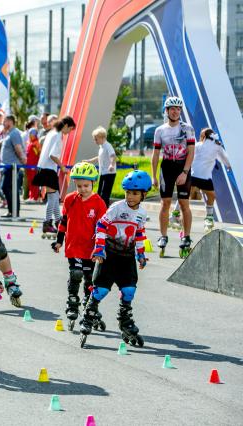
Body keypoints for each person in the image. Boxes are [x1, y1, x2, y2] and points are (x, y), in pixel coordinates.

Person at [79, 170, 150, 348]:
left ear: (144, 194)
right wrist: (100, 248)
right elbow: (101, 225)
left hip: (127, 257)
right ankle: (88, 315)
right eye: (128, 192)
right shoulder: (117, 207)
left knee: (129, 291)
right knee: (100, 290)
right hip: (109, 256)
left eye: (135, 193)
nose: (130, 197)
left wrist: (140, 254)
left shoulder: (142, 212)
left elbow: (139, 233)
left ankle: (124, 320)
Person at [51, 162, 107, 331]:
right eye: (79, 185)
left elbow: (103, 228)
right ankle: (72, 301)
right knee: (76, 274)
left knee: (90, 279)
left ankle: (89, 304)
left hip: (91, 249)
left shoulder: (99, 203)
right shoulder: (70, 199)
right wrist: (59, 240)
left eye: (86, 185)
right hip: (73, 246)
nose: (83, 189)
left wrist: (101, 248)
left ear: (93, 183)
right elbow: (64, 222)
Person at [151, 96, 195, 256]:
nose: (176, 112)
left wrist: (184, 172)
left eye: (178, 109)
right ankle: (163, 236)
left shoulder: (188, 128)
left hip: (183, 166)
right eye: (172, 109)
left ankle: (187, 237)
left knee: (184, 204)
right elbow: (155, 155)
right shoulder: (160, 130)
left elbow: (191, 152)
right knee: (165, 203)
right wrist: (154, 176)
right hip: (167, 167)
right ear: (167, 111)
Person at [33, 116, 76, 236]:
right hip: (48, 169)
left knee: (55, 196)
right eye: (70, 129)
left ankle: (58, 222)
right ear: (66, 125)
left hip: (44, 167)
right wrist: (62, 167)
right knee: (52, 198)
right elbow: (53, 155)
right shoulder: (58, 136)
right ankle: (47, 223)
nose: (69, 133)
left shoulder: (52, 132)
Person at [191, 128, 232, 232]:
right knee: (211, 195)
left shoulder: (197, 145)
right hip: (205, 177)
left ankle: (175, 213)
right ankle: (209, 218)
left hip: (193, 175)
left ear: (203, 136)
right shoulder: (216, 145)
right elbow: (223, 157)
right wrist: (228, 166)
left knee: (184, 195)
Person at [0, 115, 26, 217]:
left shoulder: (14, 133)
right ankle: (12, 211)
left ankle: (14, 211)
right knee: (8, 188)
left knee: (8, 188)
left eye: (4, 121)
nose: (3, 123)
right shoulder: (9, 133)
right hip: (8, 166)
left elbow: (18, 148)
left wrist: (23, 160)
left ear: (10, 122)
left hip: (12, 166)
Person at [85, 126, 117, 207]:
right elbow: (99, 157)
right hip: (103, 173)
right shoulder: (101, 147)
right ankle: (100, 209)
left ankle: (104, 210)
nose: (94, 141)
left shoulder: (108, 146)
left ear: (102, 137)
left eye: (96, 139)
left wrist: (111, 165)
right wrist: (89, 161)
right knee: (99, 192)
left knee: (105, 194)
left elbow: (113, 156)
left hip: (109, 173)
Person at [24, 116, 41, 201]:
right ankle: (31, 196)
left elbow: (37, 155)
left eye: (32, 134)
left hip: (33, 166)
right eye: (30, 134)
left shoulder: (36, 144)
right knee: (31, 182)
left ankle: (35, 197)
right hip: (29, 166)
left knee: (34, 182)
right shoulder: (31, 143)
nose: (31, 135)